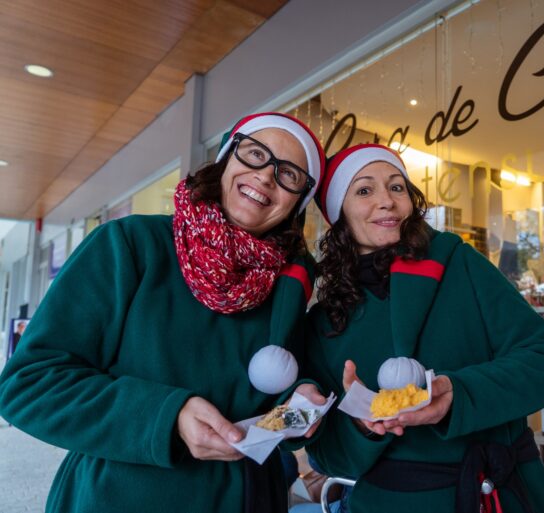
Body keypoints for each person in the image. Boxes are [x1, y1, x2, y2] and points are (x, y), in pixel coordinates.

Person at [0, 112, 328, 513]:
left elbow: (277, 386)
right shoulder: (129, 245)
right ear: (227, 158)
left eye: (290, 175)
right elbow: (29, 384)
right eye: (255, 154)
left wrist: (301, 402)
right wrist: (167, 417)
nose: (265, 176)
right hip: (118, 498)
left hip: (247, 499)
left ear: (298, 201)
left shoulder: (286, 284)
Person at [303, 144, 544, 513]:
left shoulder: (461, 263)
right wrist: (361, 428)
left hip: (492, 496)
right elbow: (329, 457)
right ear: (339, 214)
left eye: (397, 187)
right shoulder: (324, 321)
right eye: (364, 190)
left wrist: (459, 393)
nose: (387, 201)